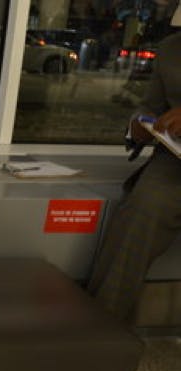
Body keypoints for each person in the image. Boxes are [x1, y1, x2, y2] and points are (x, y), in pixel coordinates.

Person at [87, 17, 181, 322]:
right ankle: (101, 324)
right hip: (175, 163)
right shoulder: (171, 49)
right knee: (140, 212)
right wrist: (138, 127)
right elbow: (151, 107)